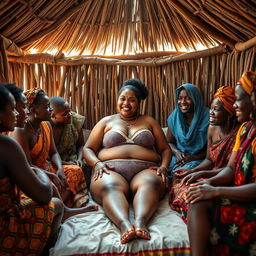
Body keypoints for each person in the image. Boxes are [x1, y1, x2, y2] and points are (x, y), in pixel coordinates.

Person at [83, 78, 171, 244]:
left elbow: (165, 149)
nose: (126, 103)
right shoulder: (106, 122)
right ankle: (124, 225)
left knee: (151, 184)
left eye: (132, 100)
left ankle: (140, 222)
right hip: (111, 171)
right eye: (122, 99)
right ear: (117, 100)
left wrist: (164, 167)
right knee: (110, 187)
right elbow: (87, 149)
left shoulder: (149, 121)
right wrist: (97, 163)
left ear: (139, 103)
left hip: (145, 171)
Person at [186, 71, 256, 256]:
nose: (235, 105)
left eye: (239, 100)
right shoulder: (245, 130)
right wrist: (208, 183)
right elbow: (231, 169)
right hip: (238, 192)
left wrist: (216, 190)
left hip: (250, 201)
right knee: (196, 199)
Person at [0, 84, 64, 255]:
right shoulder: (7, 144)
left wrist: (58, 169)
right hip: (5, 225)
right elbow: (43, 194)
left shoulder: (46, 127)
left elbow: (54, 152)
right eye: (12, 109)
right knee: (56, 204)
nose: (16, 114)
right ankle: (41, 250)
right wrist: (42, 173)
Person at [169, 86, 240, 221]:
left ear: (230, 112)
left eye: (216, 109)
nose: (211, 113)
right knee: (182, 182)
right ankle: (191, 209)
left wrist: (200, 173)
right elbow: (208, 160)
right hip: (212, 172)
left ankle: (195, 211)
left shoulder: (238, 134)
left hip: (226, 178)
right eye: (211, 109)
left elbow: (231, 170)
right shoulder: (212, 129)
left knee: (194, 193)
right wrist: (192, 172)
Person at [166, 83, 209, 178]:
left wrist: (194, 157)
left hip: (199, 159)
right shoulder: (175, 117)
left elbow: (213, 148)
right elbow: (169, 142)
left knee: (185, 171)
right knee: (163, 169)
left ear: (195, 99)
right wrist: (177, 153)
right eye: (180, 98)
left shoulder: (208, 118)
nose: (183, 102)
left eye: (187, 98)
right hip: (179, 158)